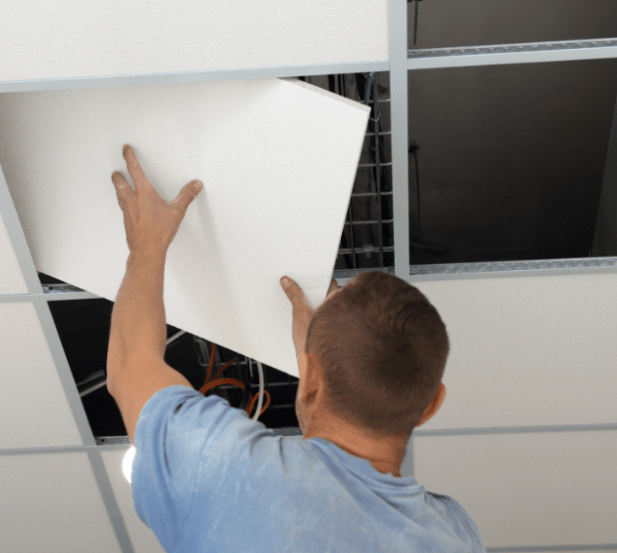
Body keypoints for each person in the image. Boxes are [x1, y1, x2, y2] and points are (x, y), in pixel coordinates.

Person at [105, 145, 485, 552]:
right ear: (431, 404)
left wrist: (147, 245)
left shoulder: (226, 472)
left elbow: (130, 368)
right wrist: (317, 375)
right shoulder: (455, 536)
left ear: (312, 377)